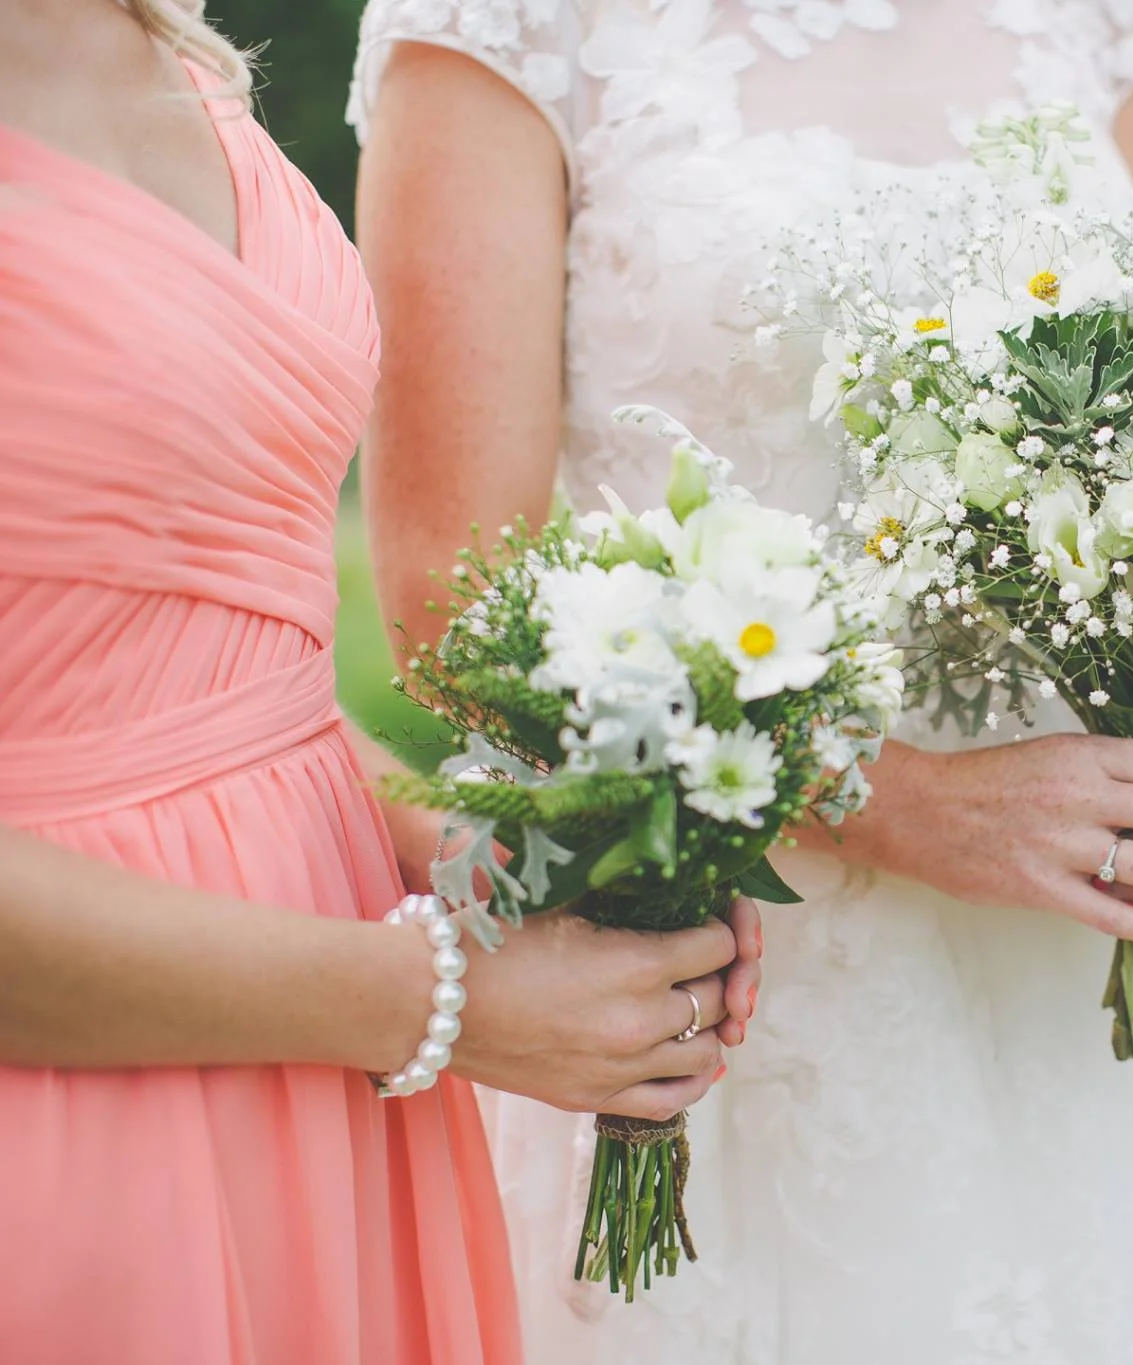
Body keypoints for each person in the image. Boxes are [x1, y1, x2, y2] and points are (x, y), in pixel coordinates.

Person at [346, 1, 1133, 1360]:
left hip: (1100, 934)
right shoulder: (500, 25)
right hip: (744, 959)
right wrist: (898, 805)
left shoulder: (1106, 19)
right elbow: (455, 600)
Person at [0, 3, 754, 1360]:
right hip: (80, 1102)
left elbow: (207, 667)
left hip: (324, 1098)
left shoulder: (153, 46)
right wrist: (433, 1000)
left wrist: (473, 847)